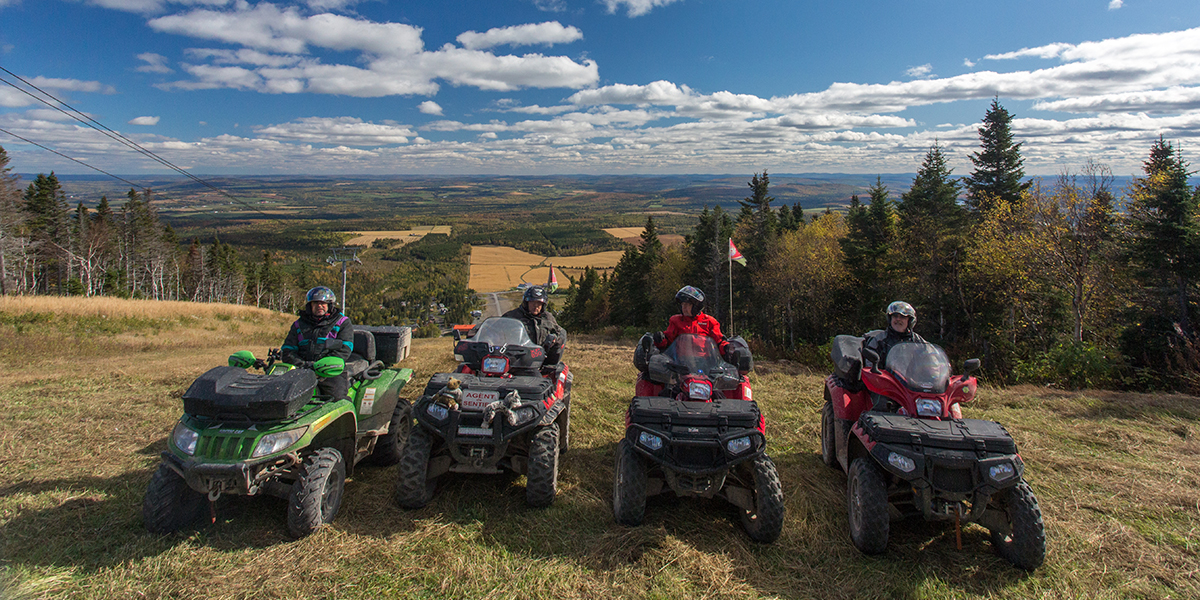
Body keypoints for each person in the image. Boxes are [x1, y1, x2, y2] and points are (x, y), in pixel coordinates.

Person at [281, 286, 355, 401]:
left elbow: (345, 349)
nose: (319, 306)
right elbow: (288, 350)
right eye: (315, 303)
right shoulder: (299, 324)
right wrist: (303, 364)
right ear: (310, 306)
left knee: (338, 400)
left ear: (330, 305)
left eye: (323, 303)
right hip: (302, 371)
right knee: (280, 396)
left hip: (330, 372)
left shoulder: (342, 322)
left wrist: (322, 366)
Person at [651, 285, 730, 356]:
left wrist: (727, 348)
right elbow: (667, 342)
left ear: (696, 306)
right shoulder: (675, 320)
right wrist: (660, 340)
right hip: (680, 363)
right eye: (682, 304)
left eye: (687, 304)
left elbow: (719, 342)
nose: (684, 307)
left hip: (705, 363)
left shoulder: (710, 322)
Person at [502, 285, 567, 364]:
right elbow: (495, 332)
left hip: (537, 360)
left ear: (543, 305)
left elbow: (559, 333)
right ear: (526, 302)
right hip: (513, 359)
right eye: (532, 302)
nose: (536, 306)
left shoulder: (548, 318)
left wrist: (554, 338)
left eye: (539, 303)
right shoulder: (511, 316)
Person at [862, 301, 926, 370]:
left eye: (902, 317)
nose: (898, 319)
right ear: (890, 319)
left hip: (912, 380)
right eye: (895, 316)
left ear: (909, 321)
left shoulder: (918, 342)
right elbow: (870, 366)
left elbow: (930, 362)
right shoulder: (879, 340)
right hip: (885, 379)